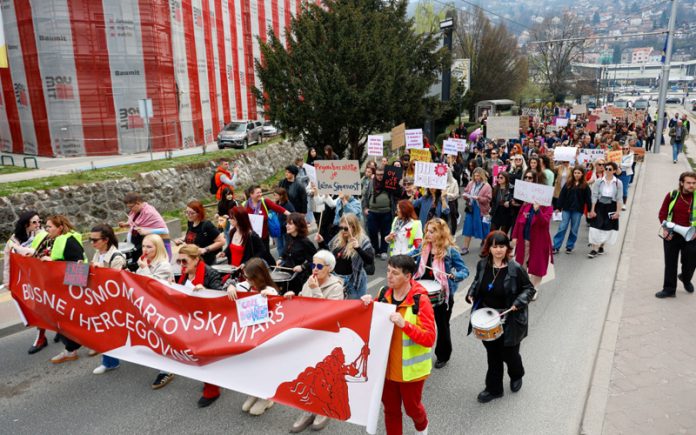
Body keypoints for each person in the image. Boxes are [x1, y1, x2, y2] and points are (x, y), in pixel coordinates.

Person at [360, 255, 436, 435]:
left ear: (408, 276)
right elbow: (373, 320)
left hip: (410, 372)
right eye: (388, 271)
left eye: (395, 273)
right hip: (385, 369)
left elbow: (429, 338)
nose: (389, 276)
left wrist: (405, 325)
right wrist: (367, 305)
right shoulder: (383, 293)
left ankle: (422, 427)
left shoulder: (421, 301)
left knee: (412, 409)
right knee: (391, 410)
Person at [466, 232, 536, 403]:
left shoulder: (515, 268)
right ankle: (494, 389)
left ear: (507, 248)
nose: (498, 250)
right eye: (495, 246)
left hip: (510, 319)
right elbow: (477, 282)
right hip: (488, 320)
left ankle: (517, 374)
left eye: (502, 246)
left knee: (510, 354)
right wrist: (471, 293)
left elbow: (529, 289)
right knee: (493, 355)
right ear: (489, 248)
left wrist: (518, 302)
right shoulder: (483, 264)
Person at [287, 250, 344, 432]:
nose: (315, 269)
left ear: (329, 268)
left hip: (325, 337)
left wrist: (316, 289)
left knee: (323, 376)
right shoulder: (310, 281)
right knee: (307, 374)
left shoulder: (336, 287)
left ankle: (323, 410)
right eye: (313, 265)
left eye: (319, 266)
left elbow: (329, 314)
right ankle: (308, 409)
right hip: (307, 335)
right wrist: (293, 297)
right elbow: (303, 302)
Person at [226, 258, 281, 416]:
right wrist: (230, 286)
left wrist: (270, 297)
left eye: (250, 278)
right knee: (251, 367)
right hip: (248, 335)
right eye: (246, 277)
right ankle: (254, 392)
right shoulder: (246, 285)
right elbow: (229, 282)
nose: (247, 280)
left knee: (264, 367)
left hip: (265, 337)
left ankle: (267, 397)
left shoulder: (270, 291)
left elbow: (279, 309)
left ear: (260, 277)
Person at [412, 218, 468, 369]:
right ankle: (418, 352)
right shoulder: (423, 247)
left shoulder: (450, 251)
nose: (428, 234)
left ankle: (443, 355)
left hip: (442, 295)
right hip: (422, 294)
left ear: (441, 233)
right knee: (419, 324)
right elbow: (410, 257)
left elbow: (464, 271)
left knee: (442, 326)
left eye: (432, 231)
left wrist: (455, 276)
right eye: (427, 231)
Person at [31, 215, 86, 364]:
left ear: (60, 228)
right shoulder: (57, 240)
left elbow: (79, 267)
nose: (47, 229)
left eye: (49, 227)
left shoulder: (70, 241)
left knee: (65, 320)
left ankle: (72, 349)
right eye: (46, 226)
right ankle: (74, 348)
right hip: (61, 288)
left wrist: (52, 262)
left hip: (69, 290)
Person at [175, 244, 225, 407]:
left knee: (205, 356)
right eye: (179, 261)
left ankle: (212, 390)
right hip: (192, 322)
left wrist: (205, 291)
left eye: (184, 261)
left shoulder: (210, 273)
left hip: (209, 323)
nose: (181, 265)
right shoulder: (184, 274)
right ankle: (212, 380)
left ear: (196, 259)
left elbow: (221, 298)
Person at [136, 235, 176, 391]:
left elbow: (153, 286)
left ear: (158, 248)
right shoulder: (145, 262)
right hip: (148, 306)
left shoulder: (164, 265)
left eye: (149, 247)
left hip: (162, 308)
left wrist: (144, 268)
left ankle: (166, 370)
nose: (145, 250)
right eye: (143, 246)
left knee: (162, 337)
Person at [4, 211, 46, 354]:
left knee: (48, 306)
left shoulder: (43, 235)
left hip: (43, 277)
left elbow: (44, 251)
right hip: (27, 281)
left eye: (39, 221)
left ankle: (52, 334)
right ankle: (42, 336)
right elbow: (8, 263)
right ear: (25, 224)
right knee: (36, 309)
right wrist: (8, 283)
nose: (38, 224)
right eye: (34, 222)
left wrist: (24, 250)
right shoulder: (13, 241)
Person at [89, 224, 127, 373]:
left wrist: (101, 269)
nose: (92, 243)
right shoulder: (98, 253)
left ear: (106, 240)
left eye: (95, 240)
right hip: (101, 299)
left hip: (115, 302)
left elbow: (114, 283)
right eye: (90, 239)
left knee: (112, 331)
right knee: (106, 331)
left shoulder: (117, 257)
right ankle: (110, 361)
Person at [655, 171, 696, 298]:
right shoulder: (672, 195)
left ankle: (685, 278)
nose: (692, 185)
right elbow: (662, 213)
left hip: (692, 236)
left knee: (691, 262)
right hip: (672, 234)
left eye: (694, 183)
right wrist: (665, 229)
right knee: (670, 263)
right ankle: (669, 289)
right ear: (681, 183)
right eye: (688, 183)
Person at [315, 213, 374, 299]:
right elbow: (330, 255)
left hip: (353, 280)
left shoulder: (363, 240)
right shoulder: (338, 237)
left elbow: (369, 260)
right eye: (341, 228)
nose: (343, 231)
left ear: (354, 227)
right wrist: (321, 242)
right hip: (337, 278)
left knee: (354, 305)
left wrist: (358, 248)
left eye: (346, 228)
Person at [511, 170, 553, 289]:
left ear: (537, 181)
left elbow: (544, 222)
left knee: (537, 265)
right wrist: (514, 236)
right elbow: (518, 220)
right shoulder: (526, 202)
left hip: (539, 239)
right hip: (524, 238)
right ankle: (525, 285)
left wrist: (538, 210)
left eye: (530, 178)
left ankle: (534, 288)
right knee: (521, 262)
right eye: (526, 177)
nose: (527, 180)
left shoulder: (546, 203)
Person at [553, 166, 592, 254]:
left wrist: (589, 211)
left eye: (578, 173)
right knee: (562, 227)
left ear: (582, 174)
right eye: (575, 173)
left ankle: (569, 246)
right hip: (566, 209)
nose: (576, 175)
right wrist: (558, 207)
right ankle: (556, 246)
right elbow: (562, 196)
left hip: (577, 210)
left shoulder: (585, 186)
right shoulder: (568, 183)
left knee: (574, 229)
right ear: (573, 173)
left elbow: (588, 199)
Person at [588, 162, 623, 258]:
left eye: (610, 169)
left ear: (614, 171)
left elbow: (619, 198)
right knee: (595, 227)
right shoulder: (599, 181)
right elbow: (594, 196)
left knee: (607, 227)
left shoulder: (618, 183)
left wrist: (618, 212)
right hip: (599, 205)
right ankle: (594, 249)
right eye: (606, 168)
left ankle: (601, 246)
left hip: (611, 206)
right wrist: (592, 210)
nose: (607, 171)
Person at [362, 166, 397, 260]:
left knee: (385, 232)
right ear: (375, 174)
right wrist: (365, 207)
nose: (380, 176)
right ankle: (375, 249)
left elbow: (396, 195)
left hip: (386, 212)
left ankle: (383, 251)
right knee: (372, 231)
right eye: (378, 174)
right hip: (372, 212)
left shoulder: (389, 183)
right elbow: (365, 195)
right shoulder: (371, 183)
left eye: (382, 174)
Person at [175, 201, 225, 266]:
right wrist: (181, 240)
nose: (188, 215)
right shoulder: (190, 222)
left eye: (191, 213)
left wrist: (205, 249)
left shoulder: (207, 225)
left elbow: (222, 241)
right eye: (187, 212)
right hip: (192, 261)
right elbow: (191, 235)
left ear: (199, 213)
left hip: (206, 263)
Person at [277, 213, 317, 295]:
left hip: (299, 278)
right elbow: (285, 251)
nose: (287, 226)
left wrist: (302, 267)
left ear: (298, 225)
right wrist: (281, 258)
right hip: (287, 275)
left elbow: (316, 263)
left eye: (290, 224)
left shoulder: (305, 242)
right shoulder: (288, 237)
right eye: (287, 223)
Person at [244, 184, 290, 253]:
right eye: (258, 193)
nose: (260, 194)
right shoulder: (245, 205)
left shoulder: (265, 202)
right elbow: (242, 219)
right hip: (252, 237)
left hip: (264, 236)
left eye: (260, 192)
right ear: (251, 194)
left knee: (265, 253)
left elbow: (277, 208)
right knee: (258, 255)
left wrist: (290, 214)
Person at [461, 167, 492, 255]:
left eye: (478, 175)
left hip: (482, 210)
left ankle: (486, 248)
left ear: (482, 175)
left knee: (485, 228)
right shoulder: (471, 183)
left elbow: (488, 199)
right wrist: (465, 196)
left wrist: (479, 198)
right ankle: (465, 248)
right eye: (475, 176)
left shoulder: (487, 186)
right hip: (471, 208)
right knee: (468, 227)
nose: (476, 177)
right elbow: (466, 192)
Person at [272, 187, 296, 257]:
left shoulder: (288, 205)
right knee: (279, 247)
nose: (274, 197)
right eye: (274, 195)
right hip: (278, 230)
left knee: (286, 247)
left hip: (285, 230)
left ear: (281, 196)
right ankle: (281, 260)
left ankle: (287, 260)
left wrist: (284, 224)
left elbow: (293, 216)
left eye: (275, 195)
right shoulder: (276, 204)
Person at [617, 144, 634, 210]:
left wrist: (621, 164)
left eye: (626, 148)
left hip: (626, 173)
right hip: (618, 173)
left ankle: (624, 204)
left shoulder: (631, 155)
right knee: (618, 188)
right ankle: (618, 203)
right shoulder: (619, 154)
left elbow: (630, 164)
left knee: (624, 189)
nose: (625, 150)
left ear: (629, 149)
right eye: (623, 148)